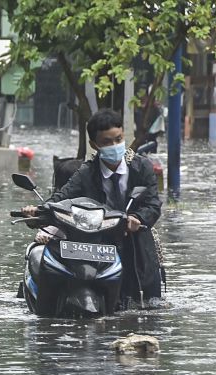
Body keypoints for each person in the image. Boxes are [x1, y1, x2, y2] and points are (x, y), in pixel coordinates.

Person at [22, 108, 163, 307]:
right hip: (99, 249)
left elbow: (153, 204)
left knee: (146, 308)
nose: (114, 145)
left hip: (136, 248)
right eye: (107, 142)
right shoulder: (87, 172)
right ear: (94, 145)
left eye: (118, 139)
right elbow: (62, 197)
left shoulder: (142, 168)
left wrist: (137, 218)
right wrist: (38, 210)